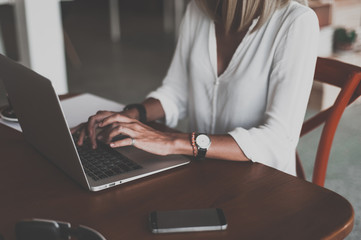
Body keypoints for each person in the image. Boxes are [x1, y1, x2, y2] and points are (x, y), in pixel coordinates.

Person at [72, 0, 319, 176]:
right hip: (202, 172)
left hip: (261, 183)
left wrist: (173, 141)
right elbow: (176, 93)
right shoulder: (198, 9)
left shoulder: (296, 23)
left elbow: (278, 140)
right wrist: (129, 116)